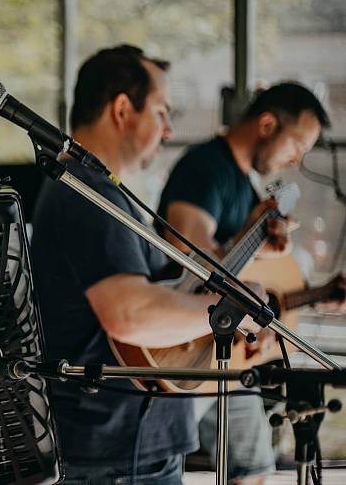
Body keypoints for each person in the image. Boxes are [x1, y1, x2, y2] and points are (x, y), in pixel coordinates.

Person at [30, 44, 265, 484]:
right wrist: (236, 310)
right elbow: (131, 314)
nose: (169, 129)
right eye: (161, 112)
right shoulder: (87, 194)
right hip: (115, 455)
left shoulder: (101, 191)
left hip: (128, 446)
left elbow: (157, 289)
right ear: (123, 109)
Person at [157, 82, 331, 484]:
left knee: (253, 472)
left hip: (223, 352)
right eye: (298, 144)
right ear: (268, 124)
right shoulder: (206, 169)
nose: (298, 158)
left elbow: (234, 268)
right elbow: (191, 260)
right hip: (180, 351)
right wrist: (248, 242)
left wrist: (261, 252)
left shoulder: (243, 184)